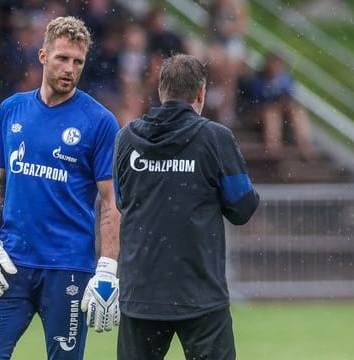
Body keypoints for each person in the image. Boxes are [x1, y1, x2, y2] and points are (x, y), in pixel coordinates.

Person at [0, 16, 121, 360]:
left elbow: (111, 202)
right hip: (10, 264)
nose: (70, 69)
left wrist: (108, 269)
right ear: (42, 56)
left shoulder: (99, 122)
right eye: (62, 58)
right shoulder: (11, 110)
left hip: (68, 268)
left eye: (78, 62)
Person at [113, 54, 259, 360]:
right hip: (199, 291)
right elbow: (242, 207)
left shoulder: (126, 138)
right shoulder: (215, 138)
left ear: (160, 91)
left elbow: (122, 199)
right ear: (201, 93)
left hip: (141, 292)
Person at [249, 50, 317, 160]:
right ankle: (273, 144)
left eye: (279, 64)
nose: (276, 67)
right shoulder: (259, 79)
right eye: (274, 63)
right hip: (263, 112)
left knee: (298, 111)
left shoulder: (286, 78)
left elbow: (290, 96)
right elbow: (257, 99)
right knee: (271, 112)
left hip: (282, 111)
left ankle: (305, 144)